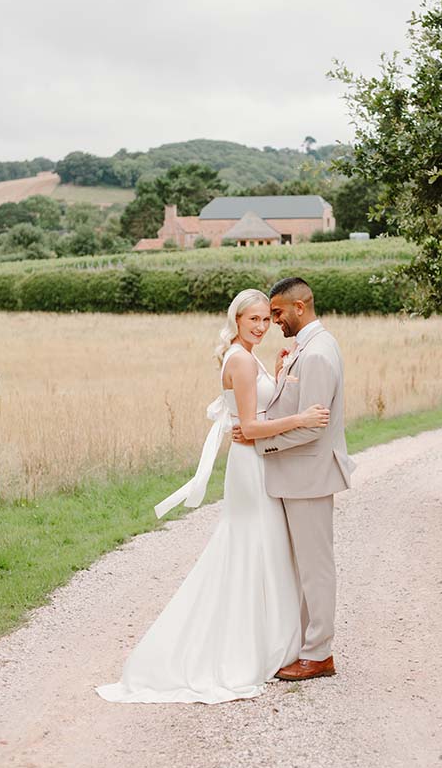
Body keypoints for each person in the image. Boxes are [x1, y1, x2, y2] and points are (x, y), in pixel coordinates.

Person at [95, 288, 330, 705]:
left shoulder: (249, 355)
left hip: (257, 461)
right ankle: (249, 646)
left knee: (266, 549)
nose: (261, 326)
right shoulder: (239, 359)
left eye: (265, 319)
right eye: (252, 319)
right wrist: (303, 417)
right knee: (251, 547)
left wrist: (274, 373)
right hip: (250, 464)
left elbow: (255, 414)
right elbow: (251, 428)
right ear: (236, 321)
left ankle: (272, 639)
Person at [233, 277, 356, 681]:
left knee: (315, 567)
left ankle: (319, 653)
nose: (274, 322)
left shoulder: (318, 354)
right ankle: (304, 645)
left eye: (278, 313)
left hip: (310, 476)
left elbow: (311, 427)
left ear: (299, 308)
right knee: (301, 566)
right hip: (297, 476)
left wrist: (259, 443)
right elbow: (293, 408)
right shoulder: (306, 349)